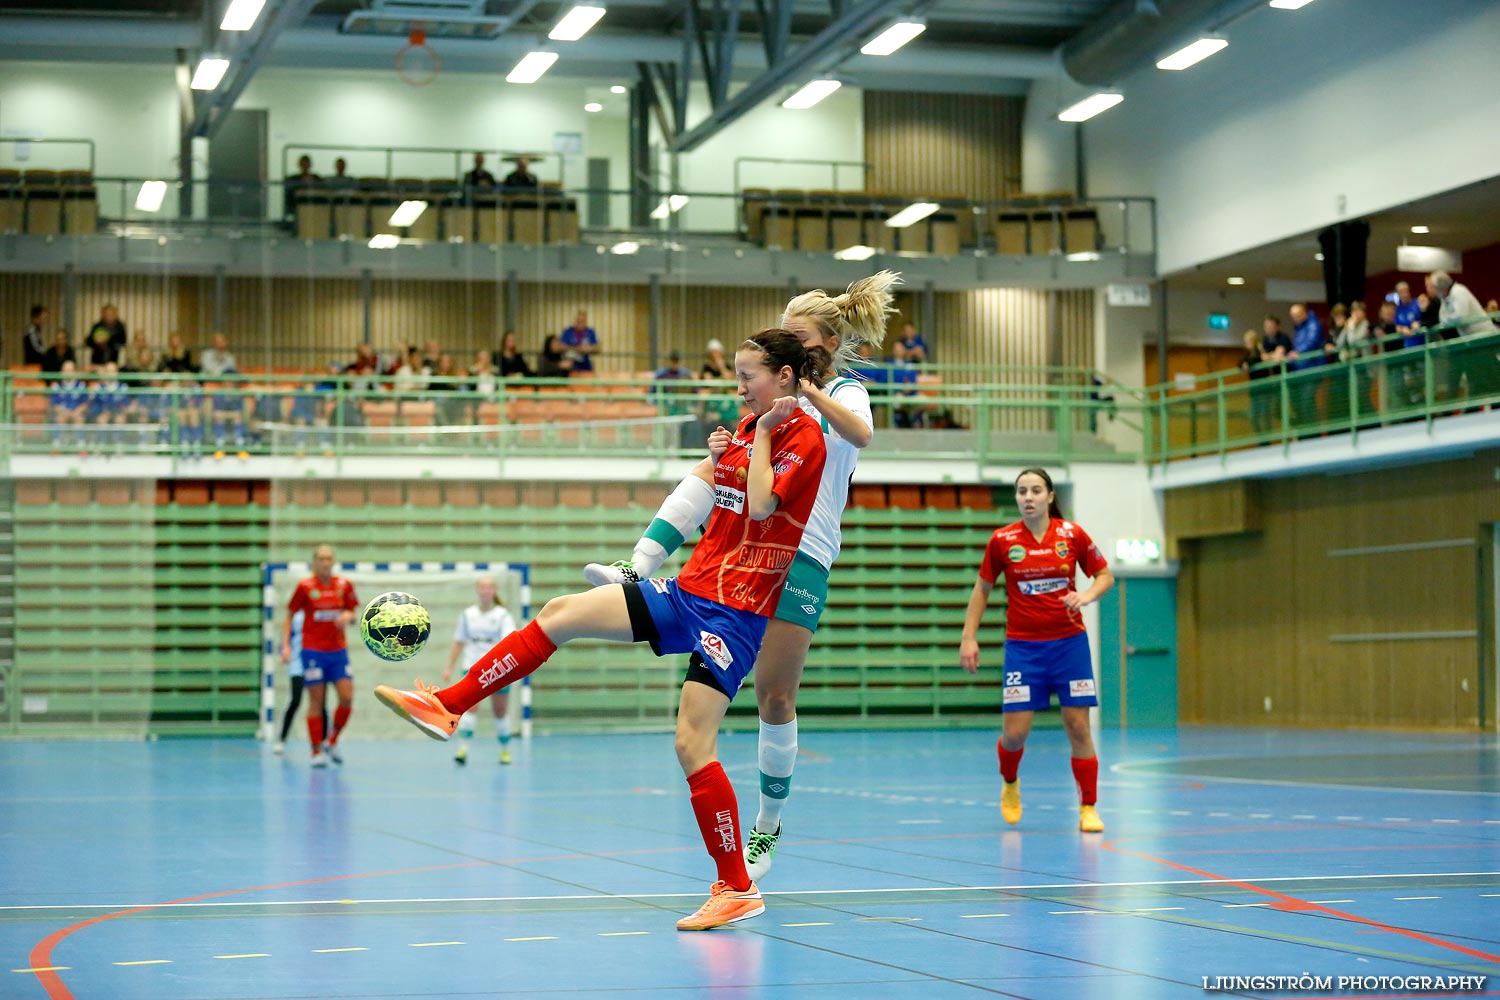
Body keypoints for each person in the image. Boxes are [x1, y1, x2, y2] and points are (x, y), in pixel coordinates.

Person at [375, 330, 829, 931]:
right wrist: (726, 455)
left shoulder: (804, 436)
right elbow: (721, 503)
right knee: (564, 611)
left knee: (692, 745)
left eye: (750, 377)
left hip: (736, 612)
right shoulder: (747, 429)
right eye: (738, 375)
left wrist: (762, 438)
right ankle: (449, 704)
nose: (739, 387)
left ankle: (736, 887)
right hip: (690, 591)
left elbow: (766, 506)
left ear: (789, 379)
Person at [582, 273, 901, 882]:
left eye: (798, 336)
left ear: (826, 344)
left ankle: (767, 824)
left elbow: (860, 434)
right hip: (751, 543)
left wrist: (804, 396)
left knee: (775, 696)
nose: (786, 343)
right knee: (709, 466)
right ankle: (639, 564)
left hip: (803, 553)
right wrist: (738, 439)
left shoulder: (843, 391)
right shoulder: (771, 393)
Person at [959, 467, 1114, 834]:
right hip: (1024, 650)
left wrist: (1086, 596)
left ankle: (1088, 807)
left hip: (1070, 645)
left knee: (1078, 727)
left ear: (1049, 496)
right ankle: (1010, 782)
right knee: (1015, 734)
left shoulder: (1071, 534)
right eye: (1021, 491)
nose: (1027, 497)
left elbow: (1105, 575)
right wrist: (969, 637)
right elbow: (982, 589)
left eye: (1035, 491)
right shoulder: (1002, 540)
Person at [282, 544, 359, 767]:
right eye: (321, 558)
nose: (325, 562)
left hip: (338, 651)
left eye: (329, 558)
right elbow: (289, 616)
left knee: (346, 697)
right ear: (314, 562)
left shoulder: (344, 585)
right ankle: (316, 751)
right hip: (313, 650)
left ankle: (332, 741)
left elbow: (354, 614)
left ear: (333, 562)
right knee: (316, 700)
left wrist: (348, 617)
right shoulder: (305, 587)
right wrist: (286, 646)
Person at [442, 576, 520, 765]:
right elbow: (459, 642)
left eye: (489, 587)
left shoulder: (503, 616)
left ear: (495, 591)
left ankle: (505, 750)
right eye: (482, 587)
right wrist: (449, 667)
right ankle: (463, 749)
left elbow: (510, 643)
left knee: (500, 710)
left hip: (497, 668)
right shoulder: (468, 615)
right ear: (478, 590)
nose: (486, 591)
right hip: (472, 667)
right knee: (469, 708)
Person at [1431, 269, 1498, 407]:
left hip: (1483, 338)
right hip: (1471, 342)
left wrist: (1449, 320)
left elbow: (1461, 317)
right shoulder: (1446, 297)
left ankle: (1494, 403)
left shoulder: (1459, 291)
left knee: (1489, 373)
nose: (1436, 292)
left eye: (1436, 288)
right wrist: (1450, 320)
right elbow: (1442, 318)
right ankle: (1475, 407)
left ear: (1442, 287)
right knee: (1476, 375)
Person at [272, 610, 329, 755]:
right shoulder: (295, 616)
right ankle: (281, 739)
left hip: (315, 662)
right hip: (297, 663)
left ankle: (323, 741)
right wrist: (283, 651)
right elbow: (286, 637)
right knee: (295, 700)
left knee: (320, 703)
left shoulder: (318, 613)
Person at [1286, 303, 1325, 430]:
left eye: (1298, 314)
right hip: (1301, 370)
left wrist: (1298, 353)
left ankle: (1312, 432)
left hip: (1313, 368)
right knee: (1301, 402)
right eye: (1294, 316)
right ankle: (1306, 431)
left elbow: (1312, 342)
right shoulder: (1299, 329)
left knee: (1307, 401)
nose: (1296, 318)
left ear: (1304, 312)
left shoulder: (1313, 324)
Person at [48, 360, 89, 450]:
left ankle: (81, 446)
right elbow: (54, 405)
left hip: (77, 412)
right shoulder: (56, 386)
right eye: (66, 370)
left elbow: (85, 404)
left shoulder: (81, 386)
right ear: (62, 372)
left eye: (70, 370)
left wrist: (76, 411)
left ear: (75, 372)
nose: (68, 373)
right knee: (60, 418)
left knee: (79, 418)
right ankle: (56, 446)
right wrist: (64, 412)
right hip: (62, 413)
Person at [1239, 329, 1272, 435]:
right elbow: (1240, 363)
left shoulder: (1260, 351)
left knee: (1264, 415)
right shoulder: (1247, 354)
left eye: (1248, 342)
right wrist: (1244, 364)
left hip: (1264, 389)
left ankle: (1266, 441)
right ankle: (1260, 438)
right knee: (1253, 416)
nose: (1246, 344)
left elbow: (1257, 359)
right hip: (1255, 391)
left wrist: (1248, 364)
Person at [86, 304, 127, 369]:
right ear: (103, 315)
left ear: (115, 314)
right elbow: (88, 342)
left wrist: (107, 339)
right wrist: (95, 341)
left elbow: (123, 342)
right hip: (97, 361)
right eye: (107, 314)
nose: (109, 317)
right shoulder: (97, 326)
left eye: (111, 314)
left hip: (113, 361)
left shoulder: (119, 327)